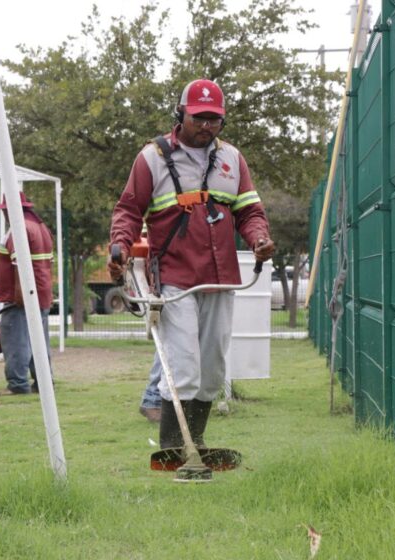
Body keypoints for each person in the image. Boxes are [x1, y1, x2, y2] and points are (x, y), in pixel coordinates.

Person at [109, 78, 275, 449]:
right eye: (198, 117)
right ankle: (172, 448)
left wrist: (259, 239)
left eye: (214, 119)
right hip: (175, 277)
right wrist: (119, 246)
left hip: (221, 279)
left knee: (213, 371)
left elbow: (249, 211)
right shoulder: (152, 157)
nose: (206, 126)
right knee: (182, 367)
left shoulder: (232, 159)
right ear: (180, 114)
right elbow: (128, 210)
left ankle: (195, 444)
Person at [0, 192, 55, 396]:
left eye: (5, 210)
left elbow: (20, 264)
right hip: (42, 293)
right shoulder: (41, 228)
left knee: (15, 340)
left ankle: (18, 384)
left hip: (20, 297)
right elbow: (47, 264)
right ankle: (43, 383)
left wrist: (20, 293)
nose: (4, 215)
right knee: (38, 341)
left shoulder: (20, 230)